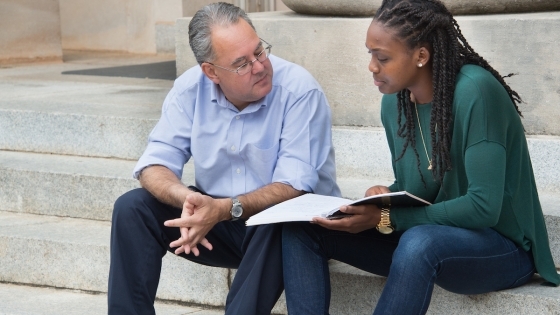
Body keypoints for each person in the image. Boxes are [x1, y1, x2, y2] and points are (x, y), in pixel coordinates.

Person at [281, 0, 560, 314]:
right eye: (370, 53)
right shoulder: (396, 105)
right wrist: (383, 198)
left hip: (501, 248)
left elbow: (483, 208)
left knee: (419, 243)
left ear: (421, 56)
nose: (372, 66)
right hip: (431, 236)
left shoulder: (478, 93)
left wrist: (389, 218)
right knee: (302, 228)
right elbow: (419, 186)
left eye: (382, 57)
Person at [107, 2, 340, 315]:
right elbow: (153, 165)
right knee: (132, 207)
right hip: (219, 224)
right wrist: (189, 199)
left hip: (292, 232)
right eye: (242, 63)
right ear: (211, 72)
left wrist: (222, 208)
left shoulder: (299, 91)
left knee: (276, 216)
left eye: (259, 52)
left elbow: (294, 186)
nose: (259, 66)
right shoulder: (190, 88)